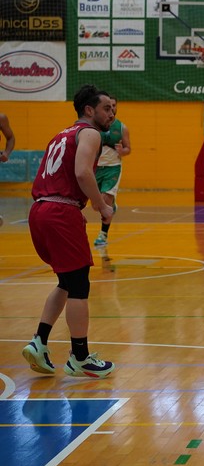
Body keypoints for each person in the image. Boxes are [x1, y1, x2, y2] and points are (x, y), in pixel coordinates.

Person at [21, 84, 117, 379]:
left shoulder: (60, 134)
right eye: (106, 109)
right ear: (89, 110)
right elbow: (81, 173)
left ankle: (39, 342)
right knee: (78, 284)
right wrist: (101, 206)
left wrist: (71, 206)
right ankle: (80, 357)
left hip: (41, 210)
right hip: (59, 212)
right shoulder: (90, 133)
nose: (111, 114)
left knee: (66, 280)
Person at [94, 96, 131, 246]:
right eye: (108, 106)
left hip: (113, 168)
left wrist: (123, 151)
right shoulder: (96, 126)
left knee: (105, 202)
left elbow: (129, 148)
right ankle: (112, 207)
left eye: (114, 105)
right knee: (96, 206)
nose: (112, 108)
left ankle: (103, 234)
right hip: (95, 168)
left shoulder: (122, 127)